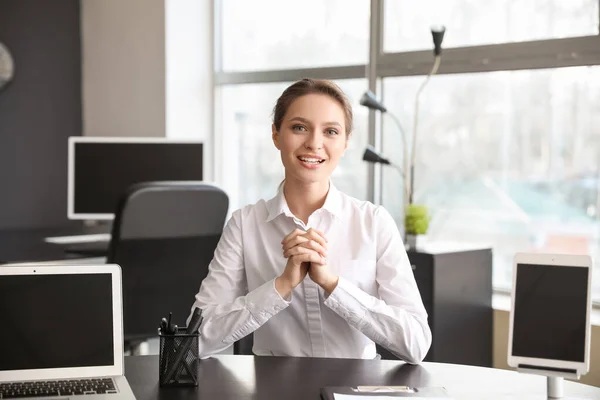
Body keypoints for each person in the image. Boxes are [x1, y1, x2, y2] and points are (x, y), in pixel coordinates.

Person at [188, 78, 431, 363]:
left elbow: (416, 344)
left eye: (330, 131)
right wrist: (280, 286)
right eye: (299, 127)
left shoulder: (373, 223)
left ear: (345, 143)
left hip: (354, 390)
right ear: (276, 135)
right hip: (274, 390)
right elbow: (196, 341)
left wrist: (332, 285)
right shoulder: (245, 224)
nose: (314, 143)